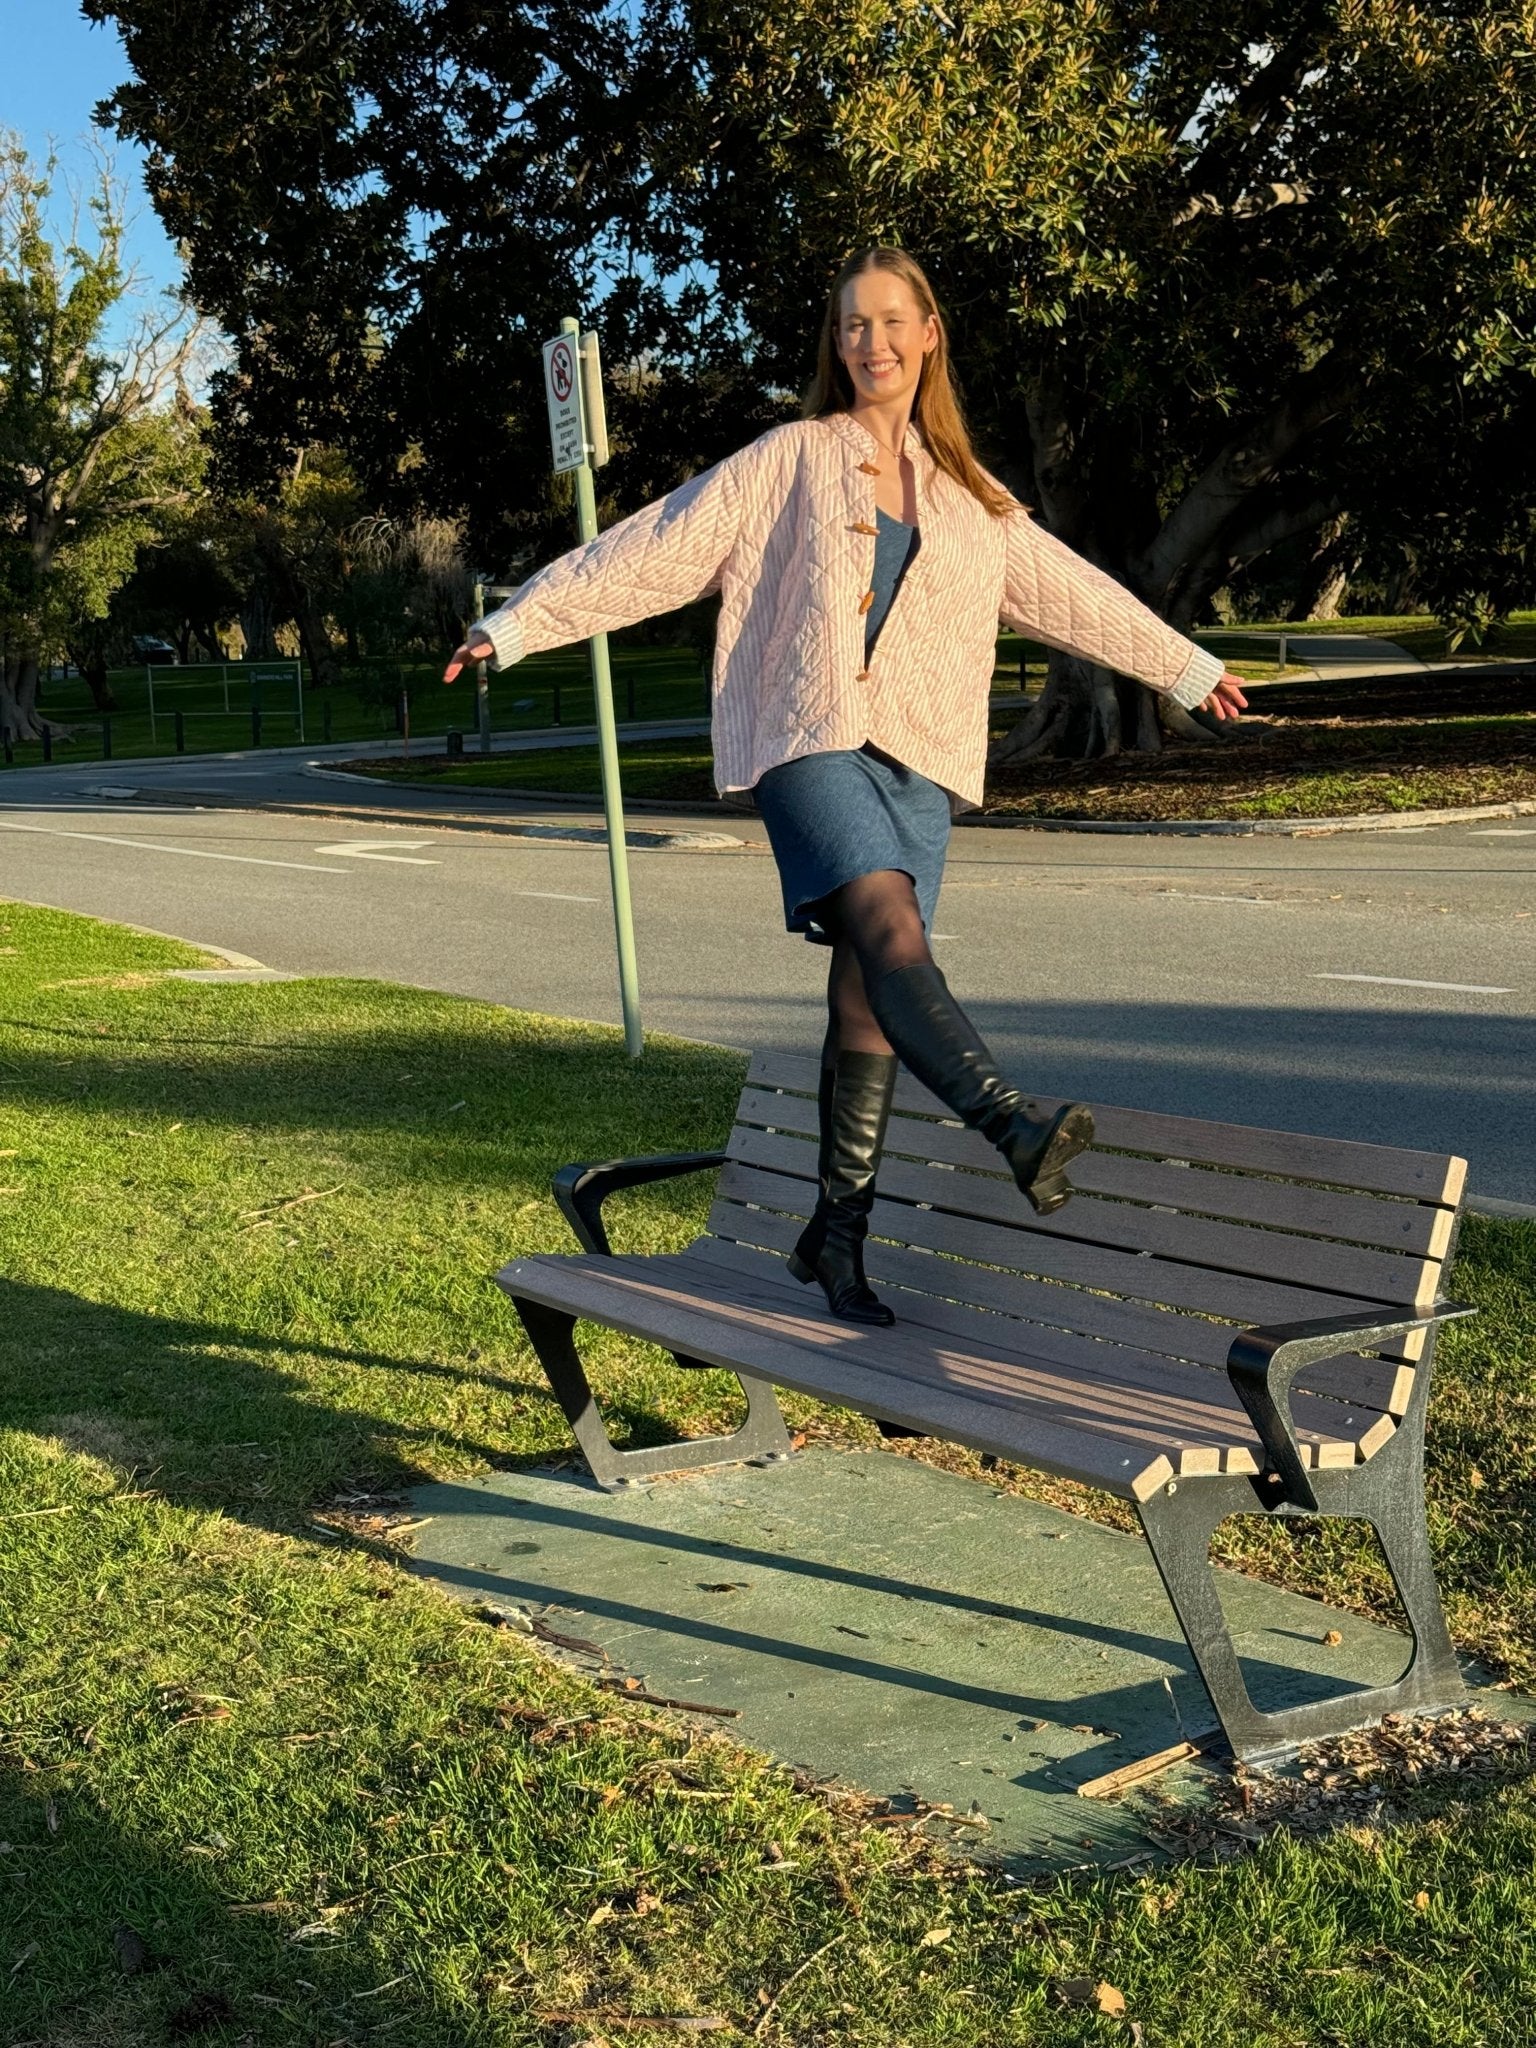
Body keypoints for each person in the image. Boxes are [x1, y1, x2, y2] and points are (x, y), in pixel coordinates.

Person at [446, 246, 1247, 1333]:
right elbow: (654, 547)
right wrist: (517, 622)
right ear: (836, 343)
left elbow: (1073, 593)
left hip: (919, 758)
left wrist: (1184, 668)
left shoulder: (972, 498)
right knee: (890, 923)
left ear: (929, 334)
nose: (872, 342)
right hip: (806, 734)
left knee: (869, 993)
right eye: (852, 325)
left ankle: (837, 1234)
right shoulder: (789, 457)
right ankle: (1011, 1124)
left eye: (890, 321)